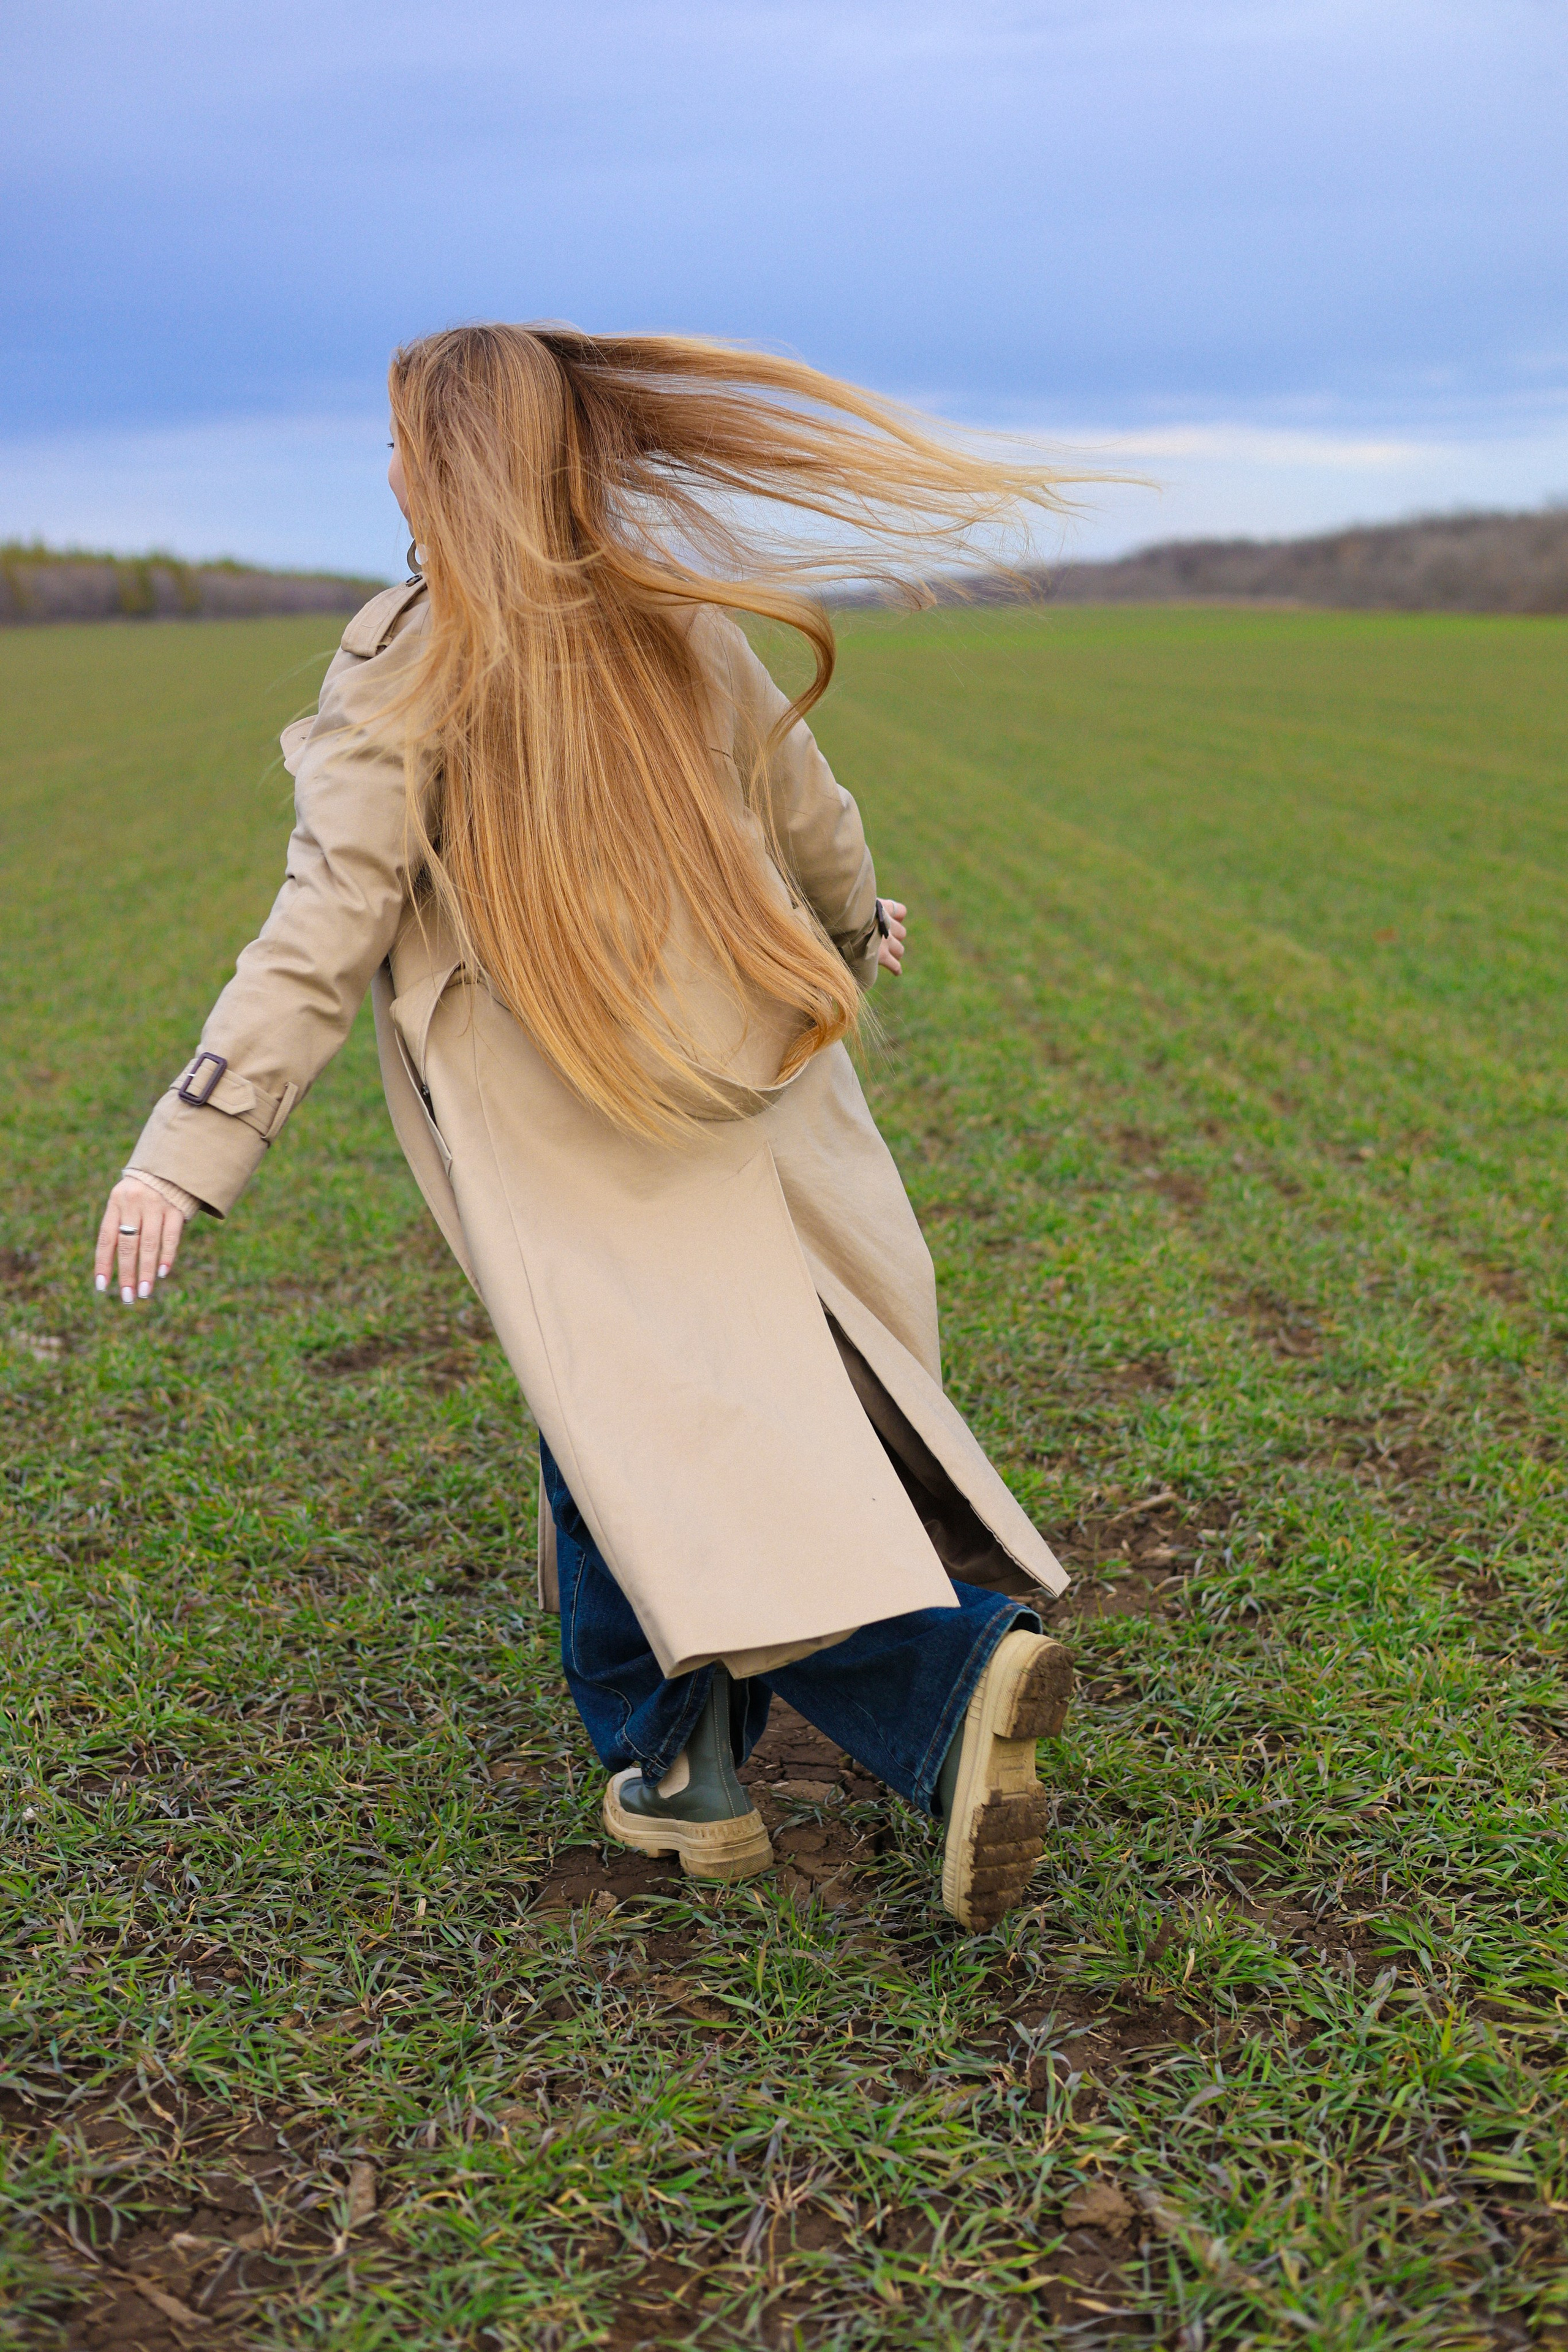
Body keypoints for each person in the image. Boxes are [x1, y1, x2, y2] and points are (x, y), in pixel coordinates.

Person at [95, 325, 1080, 1931]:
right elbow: (810, 810)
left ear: (455, 465)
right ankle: (682, 1777)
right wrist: (847, 931)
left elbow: (316, 931)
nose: (389, 465)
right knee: (632, 1418)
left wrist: (186, 1145)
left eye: (406, 439)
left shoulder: (403, 657)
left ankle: (944, 1677)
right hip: (735, 1090)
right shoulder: (672, 619)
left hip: (575, 1140)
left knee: (643, 1430)